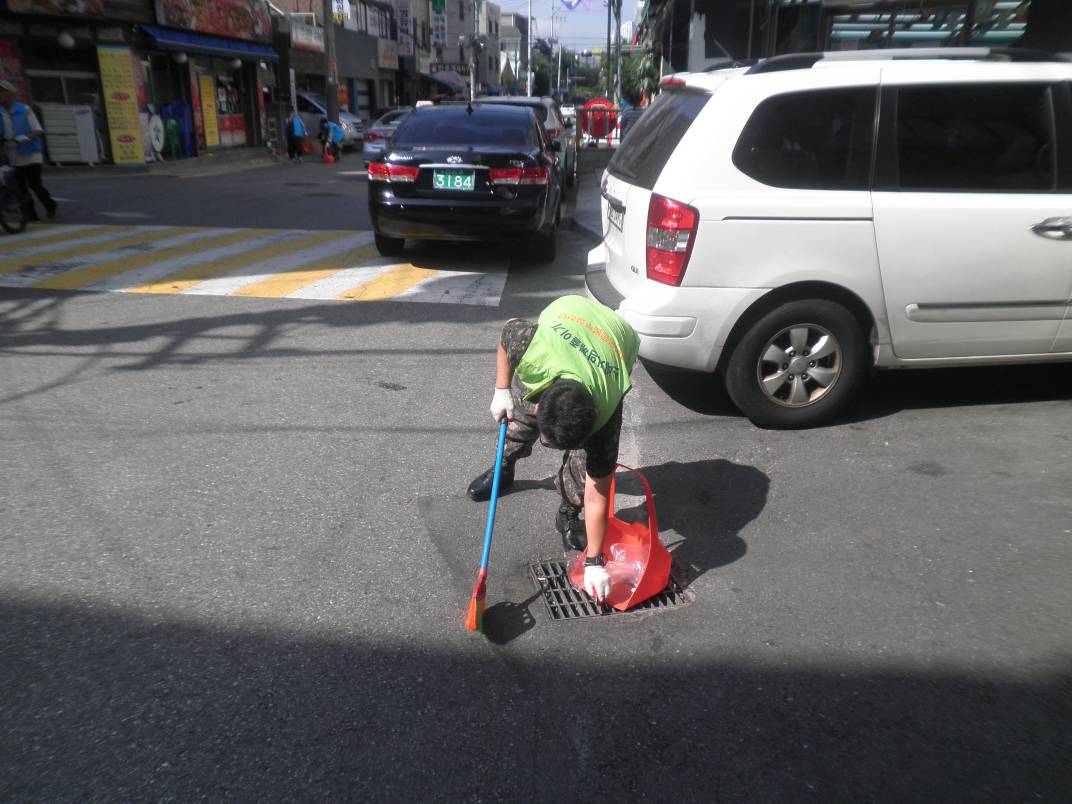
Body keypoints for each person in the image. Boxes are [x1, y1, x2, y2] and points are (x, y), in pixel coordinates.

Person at [467, 295, 640, 604]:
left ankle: (568, 511)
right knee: (517, 422)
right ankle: (503, 467)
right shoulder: (534, 351)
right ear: (540, 402)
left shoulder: (606, 416)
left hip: (616, 339)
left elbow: (598, 494)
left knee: (584, 470)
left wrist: (595, 562)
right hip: (569, 313)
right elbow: (508, 329)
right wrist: (501, 390)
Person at [0, 80, 55, 221]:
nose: (2, 94)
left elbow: (38, 130)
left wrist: (25, 138)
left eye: (4, 91)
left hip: (31, 152)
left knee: (35, 185)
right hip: (12, 153)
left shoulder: (25, 110)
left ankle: (50, 205)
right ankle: (31, 215)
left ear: (12, 94)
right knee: (20, 187)